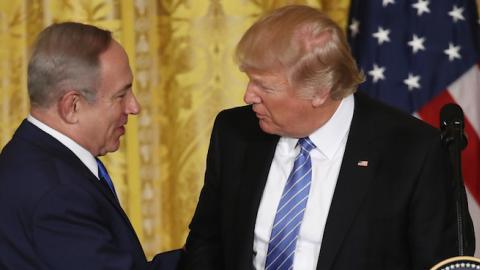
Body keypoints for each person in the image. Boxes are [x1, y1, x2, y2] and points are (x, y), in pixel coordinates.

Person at [179, 5, 475, 270]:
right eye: (249, 80)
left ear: (320, 92)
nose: (248, 96)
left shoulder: (413, 152)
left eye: (264, 87)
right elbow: (207, 242)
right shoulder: (235, 132)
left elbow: (439, 262)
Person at [0, 22, 163, 269]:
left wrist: (198, 252)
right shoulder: (58, 193)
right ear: (72, 106)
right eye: (121, 95)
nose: (134, 107)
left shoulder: (27, 157)